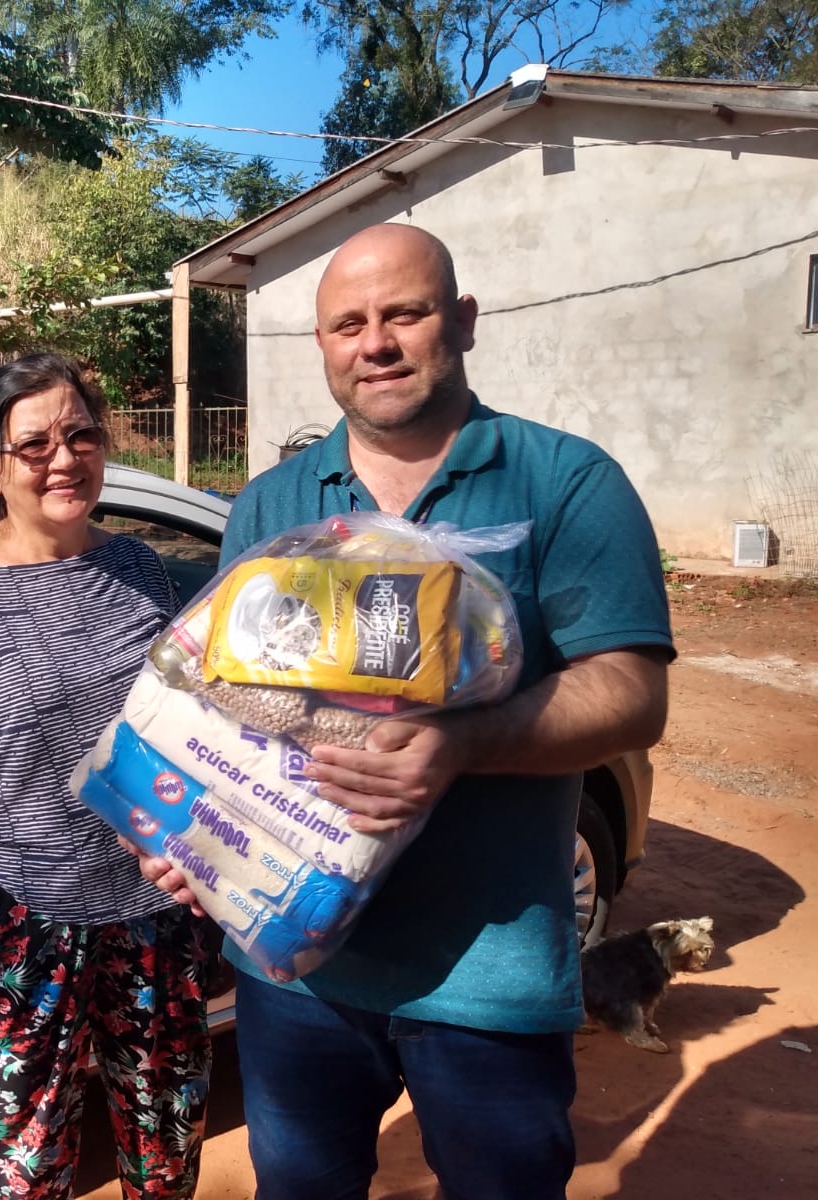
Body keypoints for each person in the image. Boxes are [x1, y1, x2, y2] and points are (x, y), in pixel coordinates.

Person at [133, 223, 675, 1200]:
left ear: (460, 322)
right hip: (295, 970)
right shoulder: (270, 504)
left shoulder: (561, 482)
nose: (373, 342)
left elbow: (632, 693)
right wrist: (190, 835)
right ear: (322, 347)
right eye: (348, 324)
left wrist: (456, 749)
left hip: (487, 974)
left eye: (403, 313)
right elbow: (230, 710)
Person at [0, 353, 213, 1200]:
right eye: (34, 446)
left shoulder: (138, 568)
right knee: (20, 1170)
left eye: (80, 436)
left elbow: (174, 732)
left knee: (168, 1150)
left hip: (149, 915)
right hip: (15, 926)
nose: (63, 459)